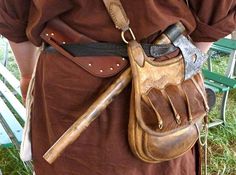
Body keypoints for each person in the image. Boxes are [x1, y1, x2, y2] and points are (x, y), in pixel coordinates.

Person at [0, 0, 235, 174]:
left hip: (69, 82)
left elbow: (12, 14)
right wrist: (180, 68)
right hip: (163, 87)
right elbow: (217, 10)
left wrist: (28, 75)